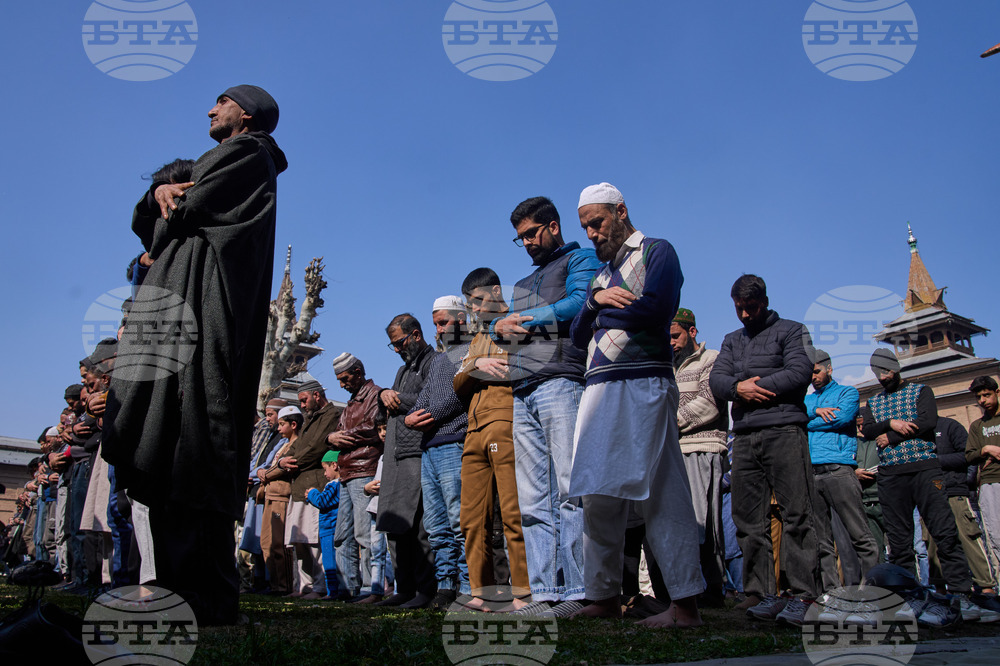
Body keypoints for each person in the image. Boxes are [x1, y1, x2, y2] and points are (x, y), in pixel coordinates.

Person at [103, 84, 287, 625]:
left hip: (202, 332)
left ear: (246, 115)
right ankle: (176, 591)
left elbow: (187, 206)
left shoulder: (251, 154)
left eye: (220, 102)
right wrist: (162, 189)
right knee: (165, 451)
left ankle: (204, 598)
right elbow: (157, 225)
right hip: (177, 329)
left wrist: (171, 194)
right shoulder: (225, 164)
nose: (210, 109)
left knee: (193, 446)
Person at [569, 182, 704, 628]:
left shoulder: (656, 251)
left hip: (644, 382)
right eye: (585, 225)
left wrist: (599, 312)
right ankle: (603, 595)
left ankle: (684, 605)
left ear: (621, 211)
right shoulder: (600, 277)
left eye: (597, 222)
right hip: (599, 389)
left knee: (661, 490)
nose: (591, 232)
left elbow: (656, 310)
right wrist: (594, 300)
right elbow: (575, 336)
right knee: (597, 494)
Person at [492, 196, 600, 614]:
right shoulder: (523, 284)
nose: (528, 243)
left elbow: (581, 302)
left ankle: (577, 590)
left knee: (570, 489)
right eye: (520, 239)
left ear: (554, 226)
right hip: (521, 389)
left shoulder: (581, 260)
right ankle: (543, 592)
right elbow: (507, 333)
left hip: (561, 381)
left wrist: (528, 319)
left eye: (532, 234)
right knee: (534, 498)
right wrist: (500, 326)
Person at [709, 273, 819, 626]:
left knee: (796, 513)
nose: (744, 315)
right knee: (747, 518)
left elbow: (799, 372)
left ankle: (803, 594)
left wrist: (752, 388)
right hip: (744, 437)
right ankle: (760, 591)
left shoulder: (792, 330)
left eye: (750, 308)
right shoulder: (730, 341)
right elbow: (717, 381)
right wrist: (739, 388)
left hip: (784, 429)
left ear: (765, 301)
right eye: (739, 308)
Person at [861, 349, 996, 622]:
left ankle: (961, 595)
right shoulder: (873, 403)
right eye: (878, 373)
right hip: (891, 474)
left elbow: (927, 423)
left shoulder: (921, 391)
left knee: (944, 532)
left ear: (896, 368)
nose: (883, 377)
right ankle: (905, 597)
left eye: (886, 371)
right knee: (898, 541)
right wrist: (893, 423)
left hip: (924, 468)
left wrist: (891, 436)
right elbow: (869, 430)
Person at [454, 270, 529, 611]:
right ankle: (480, 591)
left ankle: (523, 590)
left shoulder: (517, 320)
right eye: (471, 306)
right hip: (473, 431)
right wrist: (476, 365)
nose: (477, 311)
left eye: (480, 301)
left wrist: (475, 366)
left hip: (505, 422)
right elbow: (457, 385)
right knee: (470, 518)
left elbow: (514, 368)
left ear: (496, 291)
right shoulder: (476, 336)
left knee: (514, 512)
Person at [405, 298, 473, 609]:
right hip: (430, 447)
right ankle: (446, 585)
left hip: (454, 441)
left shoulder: (470, 350)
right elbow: (424, 398)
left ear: (461, 318)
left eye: (443, 322)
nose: (438, 329)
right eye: (435, 324)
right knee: (436, 523)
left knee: (460, 520)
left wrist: (428, 415)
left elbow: (459, 395)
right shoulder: (441, 359)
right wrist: (411, 417)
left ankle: (468, 585)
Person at [376, 314, 438, 608]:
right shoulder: (402, 371)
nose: (398, 349)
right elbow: (391, 402)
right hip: (398, 455)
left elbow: (432, 399)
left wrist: (395, 397)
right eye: (393, 345)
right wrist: (387, 394)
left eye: (399, 342)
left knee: (420, 527)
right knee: (397, 525)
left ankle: (426, 590)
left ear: (415, 335)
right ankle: (404, 587)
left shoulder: (433, 362)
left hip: (419, 452)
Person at [670, 308, 730, 606]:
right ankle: (688, 590)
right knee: (681, 523)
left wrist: (668, 421)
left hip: (702, 448)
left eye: (675, 335)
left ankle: (711, 589)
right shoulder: (669, 366)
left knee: (703, 522)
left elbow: (709, 403)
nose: (671, 342)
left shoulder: (713, 359)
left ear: (692, 332)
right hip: (674, 451)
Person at [804, 350, 877, 589]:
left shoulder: (848, 392)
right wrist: (815, 413)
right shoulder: (807, 400)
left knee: (860, 535)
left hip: (839, 469)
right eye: (810, 373)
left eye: (816, 371)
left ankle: (871, 590)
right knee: (822, 540)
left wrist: (807, 421)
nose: (813, 377)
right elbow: (794, 418)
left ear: (829, 369)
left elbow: (842, 418)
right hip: (811, 471)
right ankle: (831, 592)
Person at [326, 353, 382, 599]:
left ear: (358, 373)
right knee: (342, 536)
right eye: (339, 379)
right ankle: (347, 589)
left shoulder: (375, 395)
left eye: (345, 378)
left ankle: (372, 588)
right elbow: (336, 435)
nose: (341, 384)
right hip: (348, 471)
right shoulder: (350, 403)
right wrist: (330, 438)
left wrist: (337, 437)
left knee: (364, 533)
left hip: (364, 469)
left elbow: (372, 426)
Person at [926, 416, 996, 595]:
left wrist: (935, 460)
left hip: (954, 491)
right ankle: (940, 591)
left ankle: (986, 588)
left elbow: (967, 456)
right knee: (933, 544)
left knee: (968, 537)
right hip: (928, 495)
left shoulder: (950, 426)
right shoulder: (914, 432)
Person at [967, 376, 1000, 589]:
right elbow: (970, 454)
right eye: (979, 397)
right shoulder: (977, 425)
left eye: (986, 395)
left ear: (997, 393)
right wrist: (987, 449)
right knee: (996, 537)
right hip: (989, 483)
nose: (982, 400)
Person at [306, 450, 346, 601]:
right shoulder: (338, 485)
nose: (324, 474)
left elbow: (323, 501)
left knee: (330, 562)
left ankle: (333, 592)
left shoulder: (335, 485)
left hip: (330, 529)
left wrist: (312, 493)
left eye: (325, 469)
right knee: (330, 561)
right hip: (329, 529)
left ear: (334, 465)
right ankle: (333, 591)